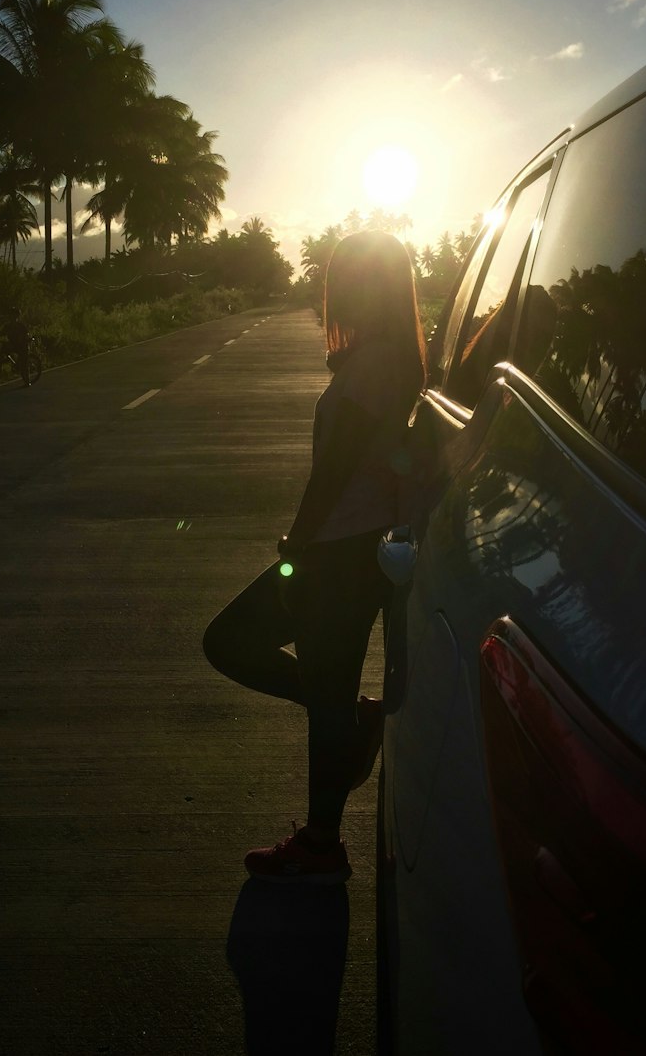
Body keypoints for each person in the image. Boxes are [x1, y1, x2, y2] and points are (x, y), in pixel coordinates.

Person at [203, 231, 426, 884]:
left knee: (230, 641)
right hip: (356, 545)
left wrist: (295, 547)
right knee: (316, 688)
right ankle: (327, 816)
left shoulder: (378, 362)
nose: (342, 288)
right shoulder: (385, 357)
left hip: (339, 549)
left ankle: (323, 842)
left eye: (354, 276)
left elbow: (335, 469)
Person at [0, 307, 30, 387]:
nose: (12, 317)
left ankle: (27, 381)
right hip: (13, 345)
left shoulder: (21, 326)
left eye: (14, 316)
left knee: (23, 365)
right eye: (11, 316)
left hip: (22, 346)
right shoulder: (8, 326)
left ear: (17, 316)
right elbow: (0, 334)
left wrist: (24, 339)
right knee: (1, 353)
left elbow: (26, 334)